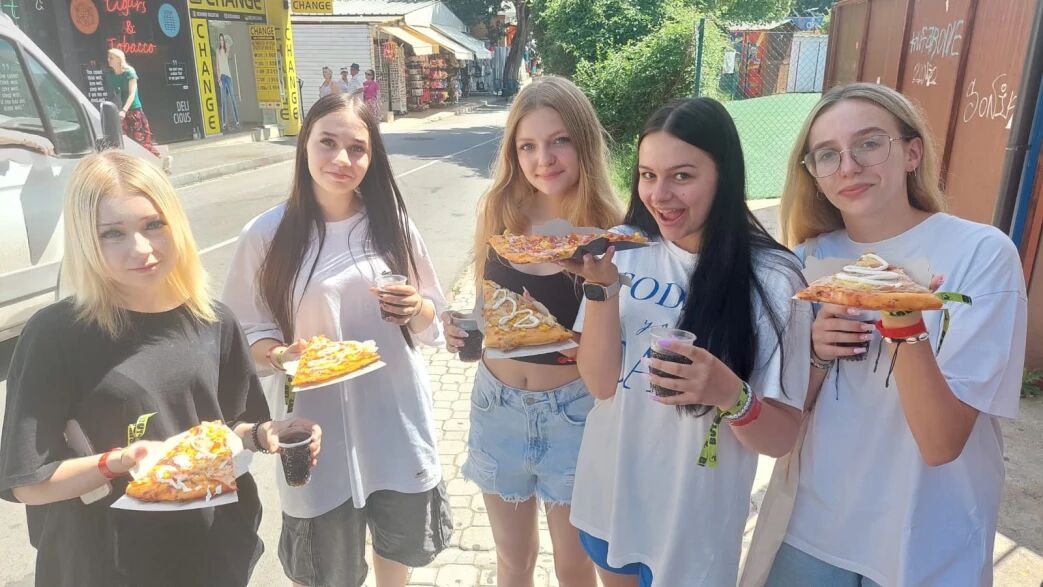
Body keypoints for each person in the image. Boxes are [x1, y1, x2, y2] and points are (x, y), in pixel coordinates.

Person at [743, 83, 1028, 587]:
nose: (848, 166)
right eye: (827, 154)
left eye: (869, 143)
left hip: (926, 537)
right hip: (812, 527)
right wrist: (815, 354)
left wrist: (904, 319)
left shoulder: (981, 253)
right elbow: (782, 422)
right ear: (814, 176)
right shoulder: (806, 260)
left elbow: (941, 443)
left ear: (912, 153)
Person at [0, 151, 321, 587]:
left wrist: (267, 434)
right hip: (104, 564)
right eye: (113, 233)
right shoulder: (56, 334)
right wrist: (119, 461)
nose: (141, 249)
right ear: (85, 240)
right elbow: (30, 483)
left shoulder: (213, 320)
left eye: (154, 224)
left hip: (210, 554)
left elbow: (234, 426)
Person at [561, 97, 812, 587]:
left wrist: (729, 394)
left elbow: (781, 438)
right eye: (647, 175)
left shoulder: (774, 278)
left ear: (724, 175)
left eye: (682, 176)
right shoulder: (622, 248)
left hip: (694, 522)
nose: (660, 195)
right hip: (611, 496)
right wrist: (602, 290)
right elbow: (600, 384)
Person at [222, 93, 452, 587]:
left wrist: (416, 308)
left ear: (373, 157)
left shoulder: (391, 225)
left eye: (357, 148)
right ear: (304, 145)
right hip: (313, 425)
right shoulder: (265, 235)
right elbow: (243, 333)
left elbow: (435, 318)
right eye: (327, 142)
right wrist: (280, 354)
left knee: (396, 550)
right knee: (325, 570)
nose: (341, 159)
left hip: (394, 416)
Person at [442, 75, 623, 587]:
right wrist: (463, 326)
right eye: (528, 146)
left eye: (559, 140)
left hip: (574, 414)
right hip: (495, 406)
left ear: (583, 142)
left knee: (574, 565)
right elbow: (488, 308)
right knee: (513, 560)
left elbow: (612, 345)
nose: (543, 159)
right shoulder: (498, 211)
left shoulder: (609, 230)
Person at [105, 48, 160, 158]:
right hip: (120, 112)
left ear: (119, 59)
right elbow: (113, 94)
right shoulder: (110, 75)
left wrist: (124, 110)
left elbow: (132, 94)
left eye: (111, 58)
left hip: (134, 110)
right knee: (126, 142)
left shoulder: (130, 73)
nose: (108, 60)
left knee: (142, 140)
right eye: (108, 57)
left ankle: (159, 158)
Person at [216, 33, 240, 130]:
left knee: (232, 99)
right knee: (223, 101)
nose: (222, 42)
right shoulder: (218, 51)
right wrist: (218, 79)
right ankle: (224, 123)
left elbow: (230, 46)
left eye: (223, 40)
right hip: (222, 77)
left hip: (228, 76)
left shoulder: (227, 51)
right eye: (221, 40)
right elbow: (217, 66)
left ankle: (237, 121)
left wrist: (227, 44)